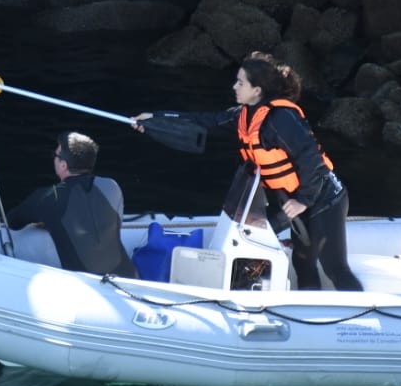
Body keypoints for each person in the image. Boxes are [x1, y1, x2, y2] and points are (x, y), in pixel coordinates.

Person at [134, 51, 363, 291]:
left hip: (324, 198)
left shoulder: (281, 119)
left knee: (335, 267)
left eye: (240, 82)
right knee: (302, 263)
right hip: (296, 202)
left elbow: (312, 160)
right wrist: (155, 119)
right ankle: (309, 310)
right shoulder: (245, 117)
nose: (234, 86)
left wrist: (303, 201)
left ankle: (365, 313)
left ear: (257, 90)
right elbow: (204, 121)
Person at [8, 131, 138, 277]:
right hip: (131, 279)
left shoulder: (48, 197)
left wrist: (47, 218)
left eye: (55, 155)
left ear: (63, 165)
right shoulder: (111, 186)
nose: (54, 159)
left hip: (89, 285)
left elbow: (13, 222)